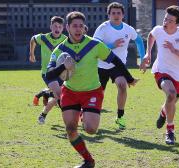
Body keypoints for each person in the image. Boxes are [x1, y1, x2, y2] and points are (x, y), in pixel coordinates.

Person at [46, 11, 138, 168]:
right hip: (70, 92)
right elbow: (49, 75)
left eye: (81, 26)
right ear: (67, 27)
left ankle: (84, 114)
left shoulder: (94, 45)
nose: (78, 29)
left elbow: (115, 60)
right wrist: (63, 66)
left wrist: (128, 78)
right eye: (74, 26)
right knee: (70, 129)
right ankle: (88, 160)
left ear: (84, 27)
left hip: (92, 92)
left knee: (90, 129)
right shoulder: (60, 49)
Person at [140, 5, 179, 145]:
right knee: (171, 94)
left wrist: (174, 50)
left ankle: (164, 112)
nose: (166, 22)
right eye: (165, 19)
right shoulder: (158, 30)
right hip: (161, 70)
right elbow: (151, 36)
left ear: (177, 23)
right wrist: (148, 53)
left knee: (171, 103)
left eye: (170, 20)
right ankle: (170, 131)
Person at [93, 2, 145, 130]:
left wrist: (143, 58)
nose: (116, 15)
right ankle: (88, 113)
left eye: (118, 13)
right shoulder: (103, 28)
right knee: (99, 93)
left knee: (122, 86)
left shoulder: (128, 29)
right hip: (101, 65)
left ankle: (120, 116)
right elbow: (94, 45)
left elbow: (138, 40)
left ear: (123, 15)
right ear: (109, 15)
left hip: (118, 66)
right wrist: (112, 46)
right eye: (113, 13)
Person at [29, 16, 67, 124]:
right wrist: (31, 54)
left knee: (56, 97)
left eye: (59, 27)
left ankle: (43, 114)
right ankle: (71, 120)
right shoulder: (43, 38)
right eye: (55, 26)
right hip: (48, 73)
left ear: (63, 28)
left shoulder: (65, 40)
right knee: (60, 95)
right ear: (51, 27)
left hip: (61, 74)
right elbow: (33, 39)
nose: (57, 28)